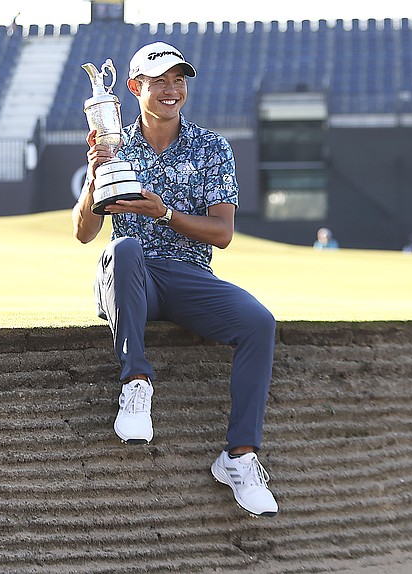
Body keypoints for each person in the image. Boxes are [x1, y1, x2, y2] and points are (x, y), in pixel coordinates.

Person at [72, 42, 278, 517]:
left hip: (188, 277)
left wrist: (163, 212)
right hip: (131, 277)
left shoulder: (211, 147)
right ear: (134, 88)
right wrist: (92, 177)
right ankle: (136, 383)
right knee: (123, 247)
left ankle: (239, 457)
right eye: (159, 81)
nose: (171, 90)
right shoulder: (113, 144)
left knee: (259, 322)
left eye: (178, 80)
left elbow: (221, 233)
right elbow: (85, 234)